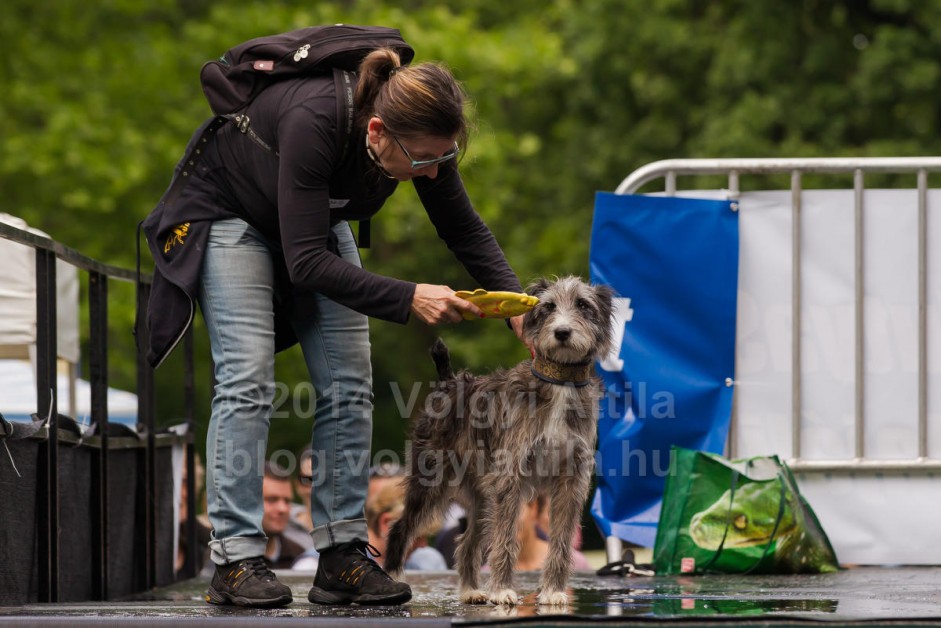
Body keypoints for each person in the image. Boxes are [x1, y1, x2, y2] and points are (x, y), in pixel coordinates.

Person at [142, 41, 526, 608]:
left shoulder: (423, 143)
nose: (431, 171)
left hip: (312, 222)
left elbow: (463, 229)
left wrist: (518, 307)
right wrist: (408, 297)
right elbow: (305, 264)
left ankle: (342, 554)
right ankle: (235, 558)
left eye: (443, 158)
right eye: (423, 160)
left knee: (349, 381)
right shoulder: (314, 120)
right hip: (231, 215)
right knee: (247, 379)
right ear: (377, 132)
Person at [365, 475, 447, 571]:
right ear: (387, 523)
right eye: (417, 538)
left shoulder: (428, 561)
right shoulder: (353, 564)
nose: (423, 545)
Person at [261, 463, 307, 569]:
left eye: (287, 501)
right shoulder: (229, 557)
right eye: (272, 499)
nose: (283, 509)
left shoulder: (299, 557)